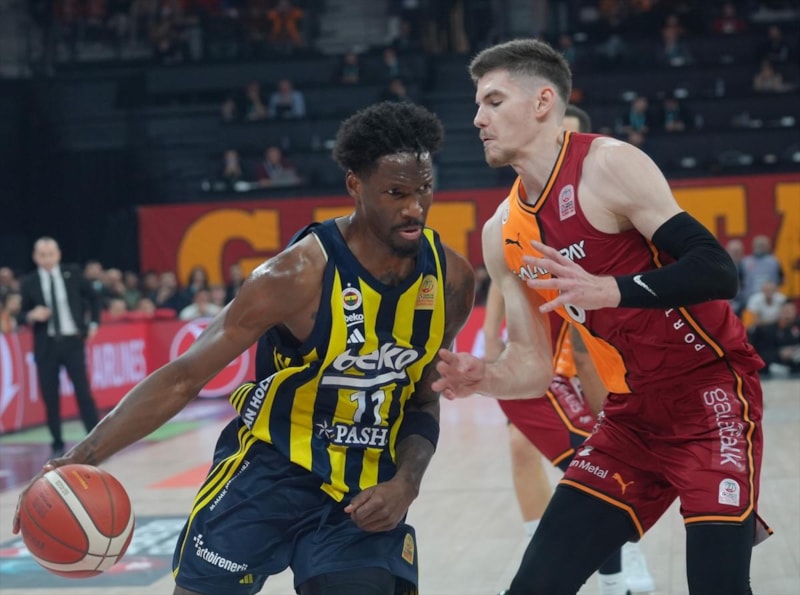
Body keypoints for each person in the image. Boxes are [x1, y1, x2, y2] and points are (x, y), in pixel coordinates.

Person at [13, 101, 476, 595]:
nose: (414, 208)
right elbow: (184, 377)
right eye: (396, 193)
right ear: (355, 186)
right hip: (268, 473)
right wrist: (80, 455)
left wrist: (408, 482)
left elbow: (421, 400)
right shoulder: (295, 275)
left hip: (362, 491)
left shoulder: (450, 280)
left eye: (424, 189)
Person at [432, 39, 769, 595]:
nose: (478, 119)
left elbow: (716, 269)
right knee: (533, 587)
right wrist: (485, 377)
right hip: (630, 419)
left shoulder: (608, 165)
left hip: (710, 399)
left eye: (493, 101)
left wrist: (609, 290)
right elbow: (534, 367)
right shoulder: (502, 231)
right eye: (477, 105)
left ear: (543, 102)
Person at [483, 104, 653, 595]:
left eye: (568, 139)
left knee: (604, 452)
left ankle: (616, 549)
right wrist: (491, 335)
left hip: (598, 343)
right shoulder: (517, 209)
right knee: (534, 448)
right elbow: (504, 275)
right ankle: (552, 553)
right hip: (546, 350)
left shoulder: (604, 195)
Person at [19, 237, 101, 457]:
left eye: (51, 254)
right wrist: (31, 315)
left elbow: (94, 298)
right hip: (46, 345)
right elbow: (20, 314)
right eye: (42, 255)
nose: (47, 259)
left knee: (83, 392)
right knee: (50, 396)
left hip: (72, 341)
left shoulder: (72, 273)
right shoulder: (29, 282)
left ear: (58, 254)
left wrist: (93, 323)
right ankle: (57, 444)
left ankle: (96, 440)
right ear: (35, 257)